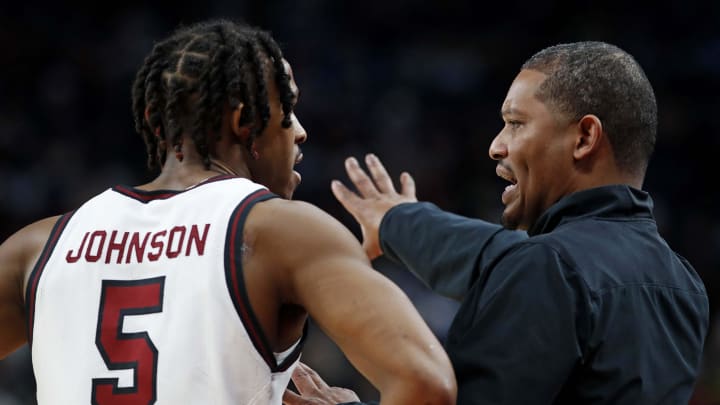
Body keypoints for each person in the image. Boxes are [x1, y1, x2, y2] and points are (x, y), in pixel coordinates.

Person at [0, 19, 457, 405]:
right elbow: (426, 383)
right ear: (244, 122)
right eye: (289, 107)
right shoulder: (280, 231)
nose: (300, 132)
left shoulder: (37, 247)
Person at [291, 41, 710, 404]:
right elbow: (497, 255)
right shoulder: (684, 285)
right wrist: (399, 221)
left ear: (584, 138)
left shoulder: (549, 268)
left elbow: (531, 267)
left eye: (515, 123)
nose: (496, 146)